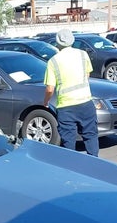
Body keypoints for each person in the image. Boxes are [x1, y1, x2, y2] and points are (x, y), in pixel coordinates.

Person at [42, 28, 98, 157]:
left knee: (69, 141)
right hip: (85, 103)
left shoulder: (53, 61)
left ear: (57, 43)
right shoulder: (83, 55)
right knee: (90, 136)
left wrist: (45, 102)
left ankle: (72, 167)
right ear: (72, 41)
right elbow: (87, 75)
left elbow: (50, 89)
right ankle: (95, 164)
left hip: (66, 108)